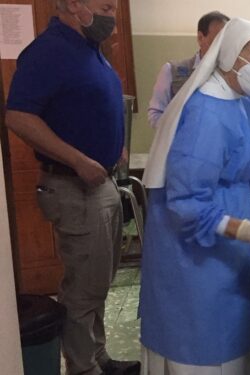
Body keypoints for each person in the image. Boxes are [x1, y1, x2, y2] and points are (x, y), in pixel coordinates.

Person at [138, 18, 250, 374]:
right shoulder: (204, 112)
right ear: (230, 52)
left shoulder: (243, 101)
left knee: (238, 341)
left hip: (228, 237)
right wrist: (245, 230)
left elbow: (249, 157)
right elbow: (186, 204)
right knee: (206, 346)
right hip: (194, 255)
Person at [4, 0, 140, 374]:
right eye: (105, 6)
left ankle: (98, 356)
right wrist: (78, 160)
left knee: (98, 282)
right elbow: (17, 115)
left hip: (102, 182)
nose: (111, 15)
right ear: (74, 5)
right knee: (83, 288)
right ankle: (83, 367)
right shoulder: (48, 51)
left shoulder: (90, 51)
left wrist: (117, 145)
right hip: (74, 185)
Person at [146, 11, 229, 128]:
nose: (221, 47)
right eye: (217, 41)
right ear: (201, 38)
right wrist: (182, 131)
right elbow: (155, 114)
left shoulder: (230, 76)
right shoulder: (172, 71)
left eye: (226, 42)